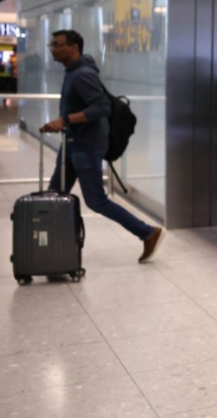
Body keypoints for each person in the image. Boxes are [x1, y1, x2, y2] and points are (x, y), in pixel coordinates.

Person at [40, 29, 163, 262]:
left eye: (57, 45)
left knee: (96, 200)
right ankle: (52, 248)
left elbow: (101, 107)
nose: (52, 49)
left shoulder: (82, 74)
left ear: (74, 47)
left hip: (85, 147)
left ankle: (147, 232)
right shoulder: (73, 72)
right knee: (55, 196)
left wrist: (64, 121)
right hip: (73, 144)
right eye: (52, 45)